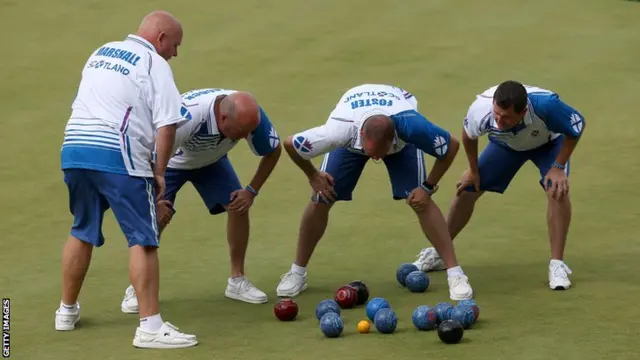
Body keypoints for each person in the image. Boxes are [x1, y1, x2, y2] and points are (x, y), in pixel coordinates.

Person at [56, 10, 198, 349]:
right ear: (161, 38)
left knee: (82, 228)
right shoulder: (155, 63)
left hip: (74, 148)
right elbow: (167, 123)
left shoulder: (101, 51)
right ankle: (150, 326)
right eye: (175, 45)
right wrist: (160, 172)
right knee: (144, 238)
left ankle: (66, 311)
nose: (175, 53)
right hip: (117, 155)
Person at [275, 83, 474, 301]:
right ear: (361, 135)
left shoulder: (411, 127)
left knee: (421, 202)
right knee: (322, 197)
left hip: (398, 131)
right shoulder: (338, 132)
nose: (375, 159)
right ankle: (297, 273)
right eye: (371, 153)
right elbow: (290, 144)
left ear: (394, 139)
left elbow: (451, 146)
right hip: (351, 137)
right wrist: (313, 176)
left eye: (381, 153)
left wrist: (426, 187)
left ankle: (455, 274)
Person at [411, 80, 585, 290]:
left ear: (523, 112)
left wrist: (558, 166)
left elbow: (577, 126)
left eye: (506, 117)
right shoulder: (481, 110)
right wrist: (473, 171)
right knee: (467, 189)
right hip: (507, 144)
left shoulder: (546, 106)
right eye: (497, 114)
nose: (499, 120)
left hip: (549, 143)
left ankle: (557, 264)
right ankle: (440, 253)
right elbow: (469, 135)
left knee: (556, 190)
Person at [120, 88, 282, 311]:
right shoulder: (185, 119)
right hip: (168, 163)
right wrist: (155, 201)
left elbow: (273, 151)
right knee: (152, 220)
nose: (246, 137)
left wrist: (251, 190)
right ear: (223, 118)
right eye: (241, 132)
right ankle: (136, 289)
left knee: (238, 207)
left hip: (212, 160)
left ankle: (237, 281)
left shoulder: (250, 117)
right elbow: (146, 158)